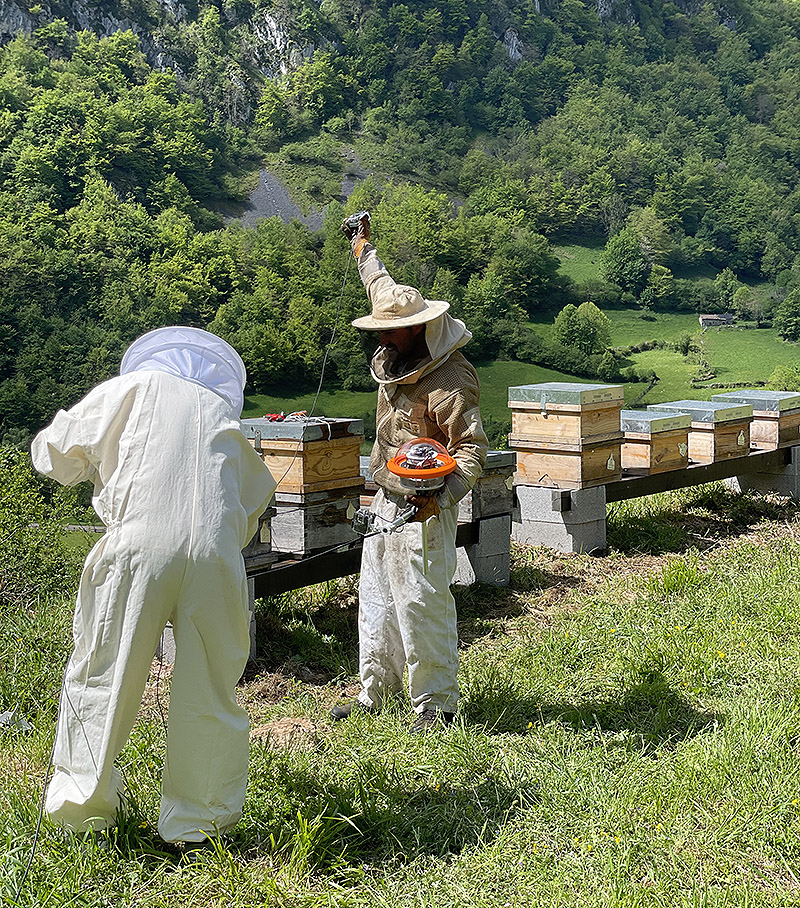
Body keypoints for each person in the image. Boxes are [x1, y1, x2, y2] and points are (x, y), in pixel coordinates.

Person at [31, 326, 276, 845]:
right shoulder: (221, 415)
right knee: (208, 687)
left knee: (106, 674)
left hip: (138, 546)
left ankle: (83, 815)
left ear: (153, 362)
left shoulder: (130, 389)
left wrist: (89, 464)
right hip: (215, 557)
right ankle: (200, 824)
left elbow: (53, 452)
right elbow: (256, 499)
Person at [331, 213, 488, 734]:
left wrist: (440, 498)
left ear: (417, 328)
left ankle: (436, 705)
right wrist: (361, 246)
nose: (385, 338)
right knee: (375, 596)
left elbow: (471, 452)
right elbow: (377, 282)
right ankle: (374, 693)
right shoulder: (396, 347)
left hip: (425, 506)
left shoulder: (451, 379)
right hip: (385, 496)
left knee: (421, 600)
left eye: (392, 332)